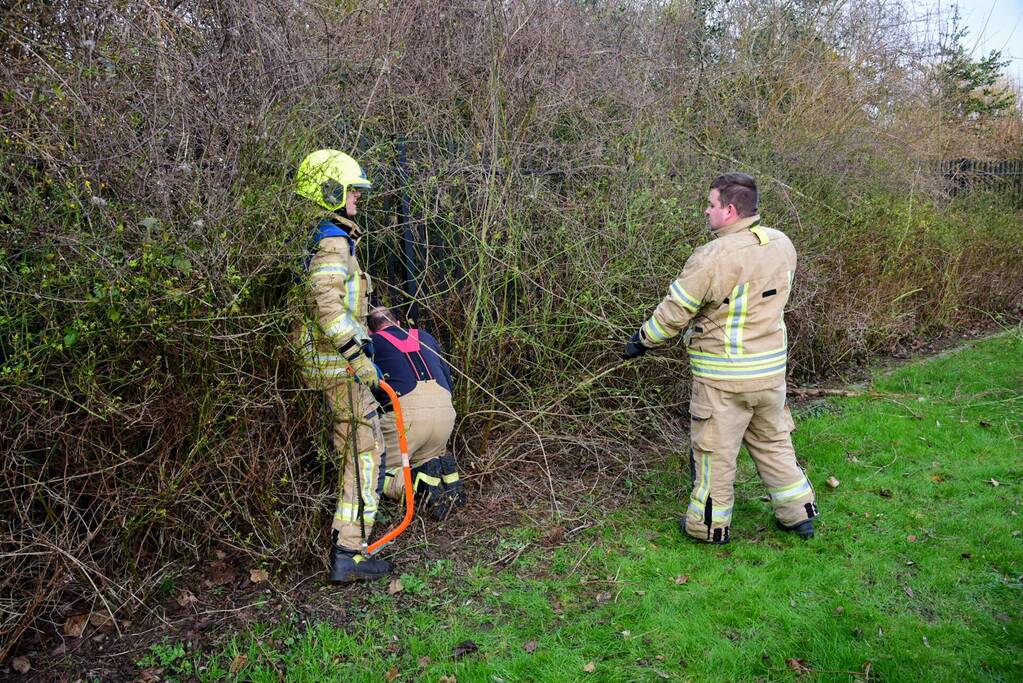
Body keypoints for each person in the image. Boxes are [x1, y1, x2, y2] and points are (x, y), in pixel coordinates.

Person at [623, 172, 818, 544]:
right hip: (770, 375)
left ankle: (708, 527)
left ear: (729, 210)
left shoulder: (713, 256)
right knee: (775, 443)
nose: (706, 211)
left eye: (711, 204)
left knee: (715, 454)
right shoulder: (781, 244)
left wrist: (642, 340)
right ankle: (799, 515)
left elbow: (675, 311)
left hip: (723, 380)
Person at [294, 149, 392, 582]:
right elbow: (328, 307)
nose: (357, 197)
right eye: (352, 190)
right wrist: (359, 358)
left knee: (359, 448)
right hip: (339, 367)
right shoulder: (332, 242)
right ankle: (350, 552)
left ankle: (351, 548)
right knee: (364, 450)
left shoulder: (326, 237)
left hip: (333, 364)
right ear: (329, 190)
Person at [368, 306, 466, 519]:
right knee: (427, 458)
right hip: (444, 414)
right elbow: (448, 380)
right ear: (398, 323)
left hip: (406, 418)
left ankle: (415, 483)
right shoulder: (425, 337)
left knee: (376, 472)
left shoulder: (371, 343)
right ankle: (446, 477)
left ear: (370, 331)